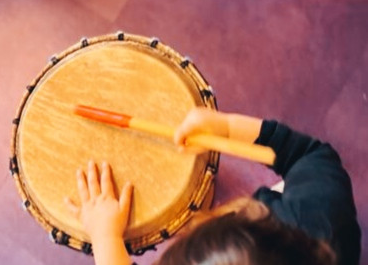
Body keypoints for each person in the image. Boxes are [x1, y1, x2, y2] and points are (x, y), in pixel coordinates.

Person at [65, 108, 361, 265]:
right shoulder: (321, 219)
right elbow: (308, 155)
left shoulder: (317, 220)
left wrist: (104, 236)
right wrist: (227, 127)